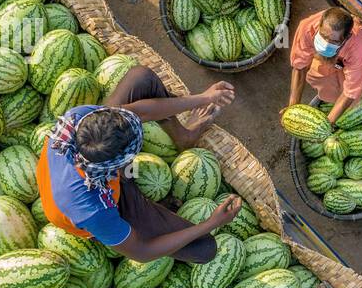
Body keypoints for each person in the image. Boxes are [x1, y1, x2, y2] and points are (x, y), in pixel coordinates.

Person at [36, 65, 242, 263]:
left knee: (141, 77)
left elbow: (141, 112)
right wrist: (211, 224)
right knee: (204, 248)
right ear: (121, 164)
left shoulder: (81, 119)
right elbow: (142, 251)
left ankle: (183, 137)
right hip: (112, 204)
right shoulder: (92, 209)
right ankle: (150, 206)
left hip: (105, 175)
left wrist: (204, 98)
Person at [285, 7, 362, 124]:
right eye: (323, 36)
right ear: (319, 25)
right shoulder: (307, 28)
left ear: (347, 38)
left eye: (334, 41)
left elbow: (350, 92)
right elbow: (299, 66)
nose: (326, 44)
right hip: (336, 61)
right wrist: (292, 108)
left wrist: (327, 125)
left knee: (353, 98)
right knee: (317, 76)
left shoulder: (359, 50)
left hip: (350, 62)